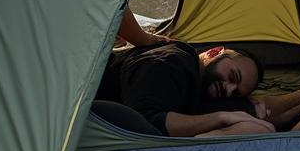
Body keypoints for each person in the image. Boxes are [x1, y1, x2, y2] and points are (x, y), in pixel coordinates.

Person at [95, 14, 272, 137]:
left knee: (266, 128)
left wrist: (245, 107)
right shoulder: (172, 62)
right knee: (262, 129)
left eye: (235, 93)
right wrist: (221, 118)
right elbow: (146, 123)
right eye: (233, 77)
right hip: (83, 110)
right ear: (214, 52)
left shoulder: (195, 83)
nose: (228, 89)